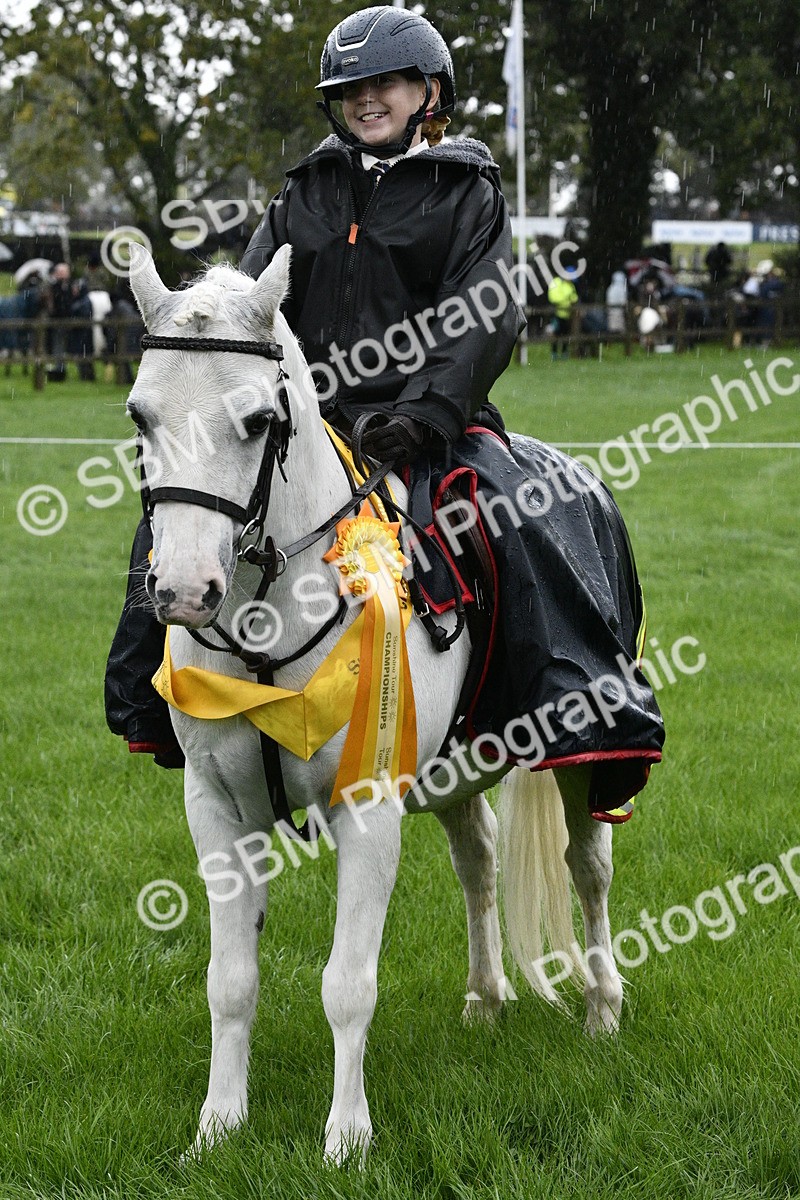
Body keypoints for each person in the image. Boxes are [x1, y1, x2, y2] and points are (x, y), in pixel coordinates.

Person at [105, 6, 663, 818]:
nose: (369, 100)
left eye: (387, 84)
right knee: (186, 510)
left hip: (426, 423)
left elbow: (486, 313)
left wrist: (425, 412)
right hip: (302, 422)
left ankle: (552, 711)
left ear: (428, 91)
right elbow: (249, 310)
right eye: (352, 89)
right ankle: (160, 701)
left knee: (515, 518)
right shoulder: (305, 189)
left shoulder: (467, 190)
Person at [546, 268, 579, 358]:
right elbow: (553, 298)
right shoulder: (556, 282)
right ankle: (554, 353)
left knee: (565, 334)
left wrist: (571, 300)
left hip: (567, 315)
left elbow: (574, 297)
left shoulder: (570, 285)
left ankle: (564, 353)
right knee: (555, 334)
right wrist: (567, 298)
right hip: (556, 314)